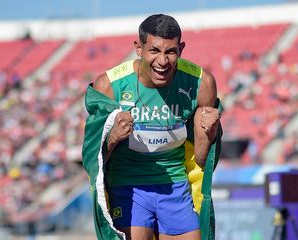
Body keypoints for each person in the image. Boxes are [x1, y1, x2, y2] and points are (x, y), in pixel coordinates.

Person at [82, 14, 222, 240]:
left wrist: (209, 132)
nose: (163, 61)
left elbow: (203, 162)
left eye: (171, 52)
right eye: (154, 51)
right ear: (139, 48)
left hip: (175, 186)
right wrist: (113, 137)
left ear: (181, 49)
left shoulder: (201, 84)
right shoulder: (109, 86)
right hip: (127, 185)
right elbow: (93, 163)